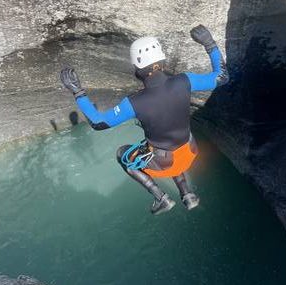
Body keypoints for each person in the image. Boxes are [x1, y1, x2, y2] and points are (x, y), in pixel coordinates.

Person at [60, 24, 229, 215]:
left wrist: (78, 92)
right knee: (164, 146)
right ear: (162, 61)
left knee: (123, 154)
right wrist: (209, 44)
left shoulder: (134, 103)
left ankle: (161, 198)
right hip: (189, 150)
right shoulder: (185, 80)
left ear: (137, 69)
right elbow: (222, 76)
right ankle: (187, 195)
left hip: (165, 162)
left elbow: (98, 122)